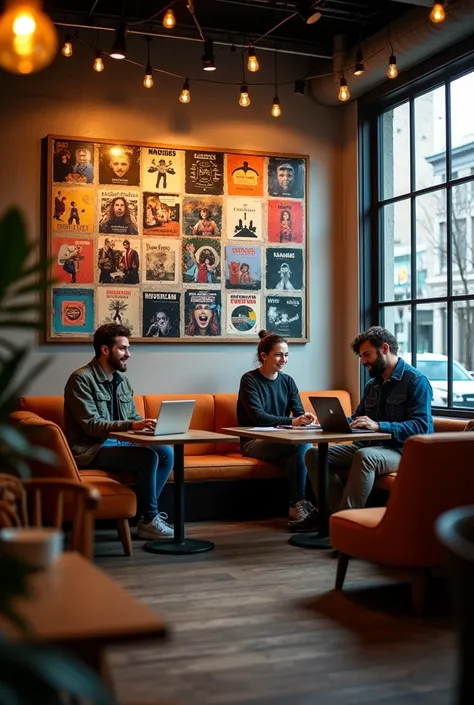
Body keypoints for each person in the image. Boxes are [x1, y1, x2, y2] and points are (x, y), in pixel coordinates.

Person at [305, 326, 433, 517]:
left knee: (366, 456)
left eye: (367, 355)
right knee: (313, 454)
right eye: (362, 357)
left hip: (400, 451)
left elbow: (422, 426)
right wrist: (330, 421)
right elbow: (359, 418)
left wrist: (379, 425)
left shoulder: (416, 381)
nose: (364, 361)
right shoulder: (372, 385)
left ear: (384, 348)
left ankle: (345, 521)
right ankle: (334, 517)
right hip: (369, 445)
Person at [63, 323, 174, 540]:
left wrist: (148, 427)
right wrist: (131, 426)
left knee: (166, 452)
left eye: (128, 349)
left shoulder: (122, 381)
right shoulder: (80, 379)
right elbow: (92, 425)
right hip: (92, 449)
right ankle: (150, 518)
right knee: (147, 457)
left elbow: (132, 418)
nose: (128, 354)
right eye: (123, 349)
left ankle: (145, 518)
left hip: (119, 444)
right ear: (106, 350)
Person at [237, 330, 319, 531]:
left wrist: (306, 418)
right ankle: (298, 504)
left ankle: (304, 507)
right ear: (264, 356)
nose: (284, 360)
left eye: (286, 355)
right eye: (279, 355)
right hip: (253, 442)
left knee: (300, 449)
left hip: (283, 441)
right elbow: (259, 417)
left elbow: (298, 411)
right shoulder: (249, 380)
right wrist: (294, 421)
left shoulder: (287, 381)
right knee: (301, 447)